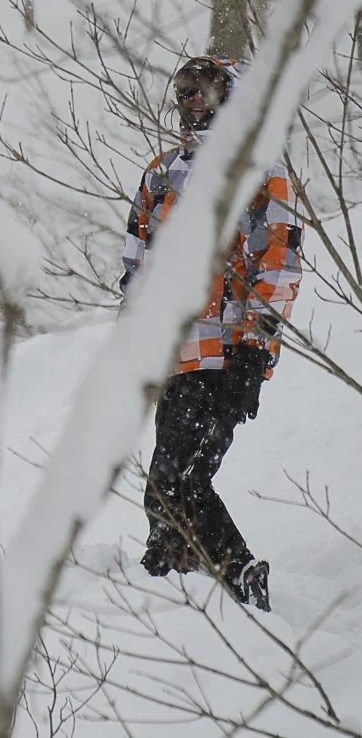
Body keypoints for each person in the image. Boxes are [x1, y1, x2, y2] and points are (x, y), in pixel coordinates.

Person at [120, 55, 303, 612]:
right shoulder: (161, 172)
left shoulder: (261, 175)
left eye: (206, 90)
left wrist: (253, 351)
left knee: (182, 475)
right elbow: (136, 262)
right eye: (186, 90)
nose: (193, 100)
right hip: (173, 355)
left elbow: (278, 269)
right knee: (172, 480)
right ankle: (188, 584)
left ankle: (221, 584)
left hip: (227, 353)